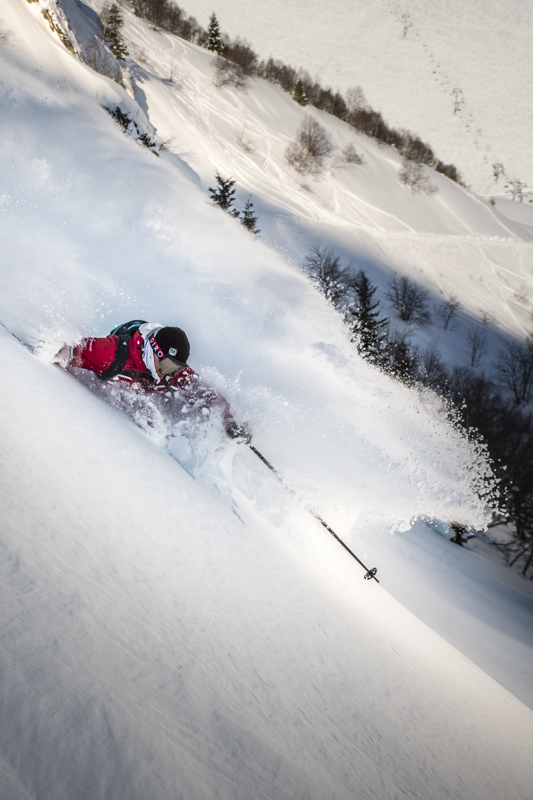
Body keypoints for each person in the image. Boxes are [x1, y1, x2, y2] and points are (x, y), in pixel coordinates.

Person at [55, 321, 251, 441]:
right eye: (167, 365)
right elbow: (65, 349)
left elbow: (204, 394)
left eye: (175, 368)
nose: (168, 373)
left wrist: (230, 421)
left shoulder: (172, 372)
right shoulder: (112, 353)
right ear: (155, 351)